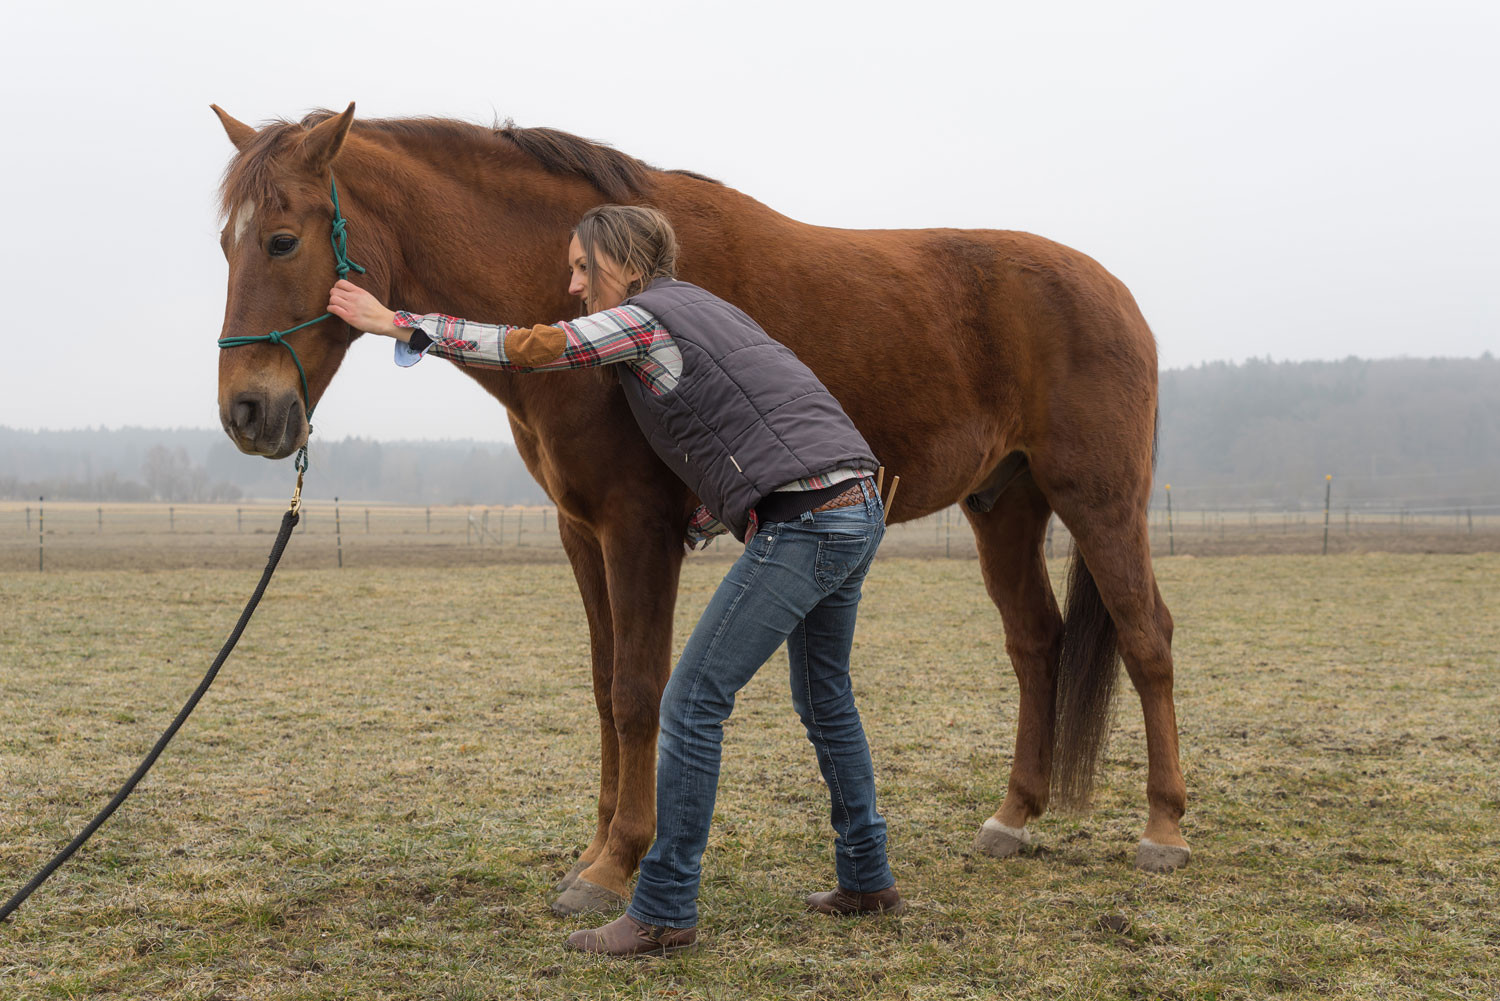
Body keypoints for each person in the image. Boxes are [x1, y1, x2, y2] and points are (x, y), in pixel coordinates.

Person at [327, 205, 903, 957]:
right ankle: (866, 875)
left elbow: (531, 348)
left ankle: (663, 908)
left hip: (807, 520)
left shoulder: (641, 316)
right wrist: (704, 519)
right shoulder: (710, 310)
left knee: (692, 701)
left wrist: (398, 323)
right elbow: (746, 426)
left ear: (625, 264)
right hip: (855, 501)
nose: (571, 285)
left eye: (580, 267)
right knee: (824, 697)